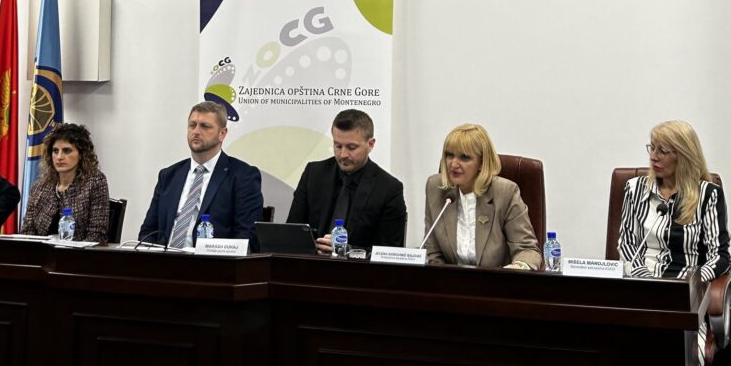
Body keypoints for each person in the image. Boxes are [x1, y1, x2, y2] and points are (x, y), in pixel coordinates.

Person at [139, 101, 263, 250]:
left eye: (205, 126)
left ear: (222, 134)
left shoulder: (243, 176)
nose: (196, 131)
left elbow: (246, 238)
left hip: (211, 262)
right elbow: (147, 232)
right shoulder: (168, 176)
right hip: (165, 259)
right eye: (192, 125)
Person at [618, 119, 731, 282]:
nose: (653, 157)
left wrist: (692, 283)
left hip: (685, 284)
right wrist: (647, 281)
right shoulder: (634, 189)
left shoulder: (708, 194)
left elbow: (719, 256)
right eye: (652, 148)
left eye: (662, 151)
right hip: (642, 282)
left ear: (683, 156)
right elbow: (626, 244)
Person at [287, 109, 406, 253]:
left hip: (357, 266)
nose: (342, 154)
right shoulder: (314, 174)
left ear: (370, 144)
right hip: (311, 263)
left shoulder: (388, 189)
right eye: (337, 146)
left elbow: (389, 252)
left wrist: (347, 250)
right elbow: (292, 232)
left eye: (351, 147)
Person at [423, 123, 541, 269]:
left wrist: (519, 266)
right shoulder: (435, 188)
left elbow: (527, 249)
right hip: (450, 281)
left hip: (495, 280)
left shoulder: (505, 192)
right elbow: (433, 252)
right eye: (449, 155)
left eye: (464, 157)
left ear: (482, 163)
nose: (453, 164)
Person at [22, 123, 109, 243]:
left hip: (78, 253)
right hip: (42, 253)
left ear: (81, 154)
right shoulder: (40, 186)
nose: (59, 157)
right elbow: (27, 232)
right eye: (55, 151)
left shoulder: (95, 182)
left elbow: (97, 235)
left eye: (67, 151)